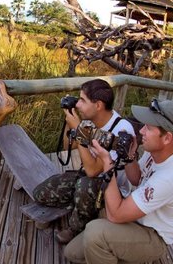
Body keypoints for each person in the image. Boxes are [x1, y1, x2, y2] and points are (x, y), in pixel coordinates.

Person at [64, 98, 173, 263]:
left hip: (152, 235)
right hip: (137, 217)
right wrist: (130, 157)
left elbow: (116, 215)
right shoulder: (163, 151)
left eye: (149, 128)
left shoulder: (171, 177)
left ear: (167, 138)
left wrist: (107, 163)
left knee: (95, 234)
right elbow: (138, 179)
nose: (141, 132)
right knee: (72, 253)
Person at [33, 79, 136, 244]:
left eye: (82, 100)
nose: (78, 104)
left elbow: (93, 171)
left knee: (85, 185)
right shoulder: (89, 120)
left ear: (98, 105)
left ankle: (77, 227)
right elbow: (69, 146)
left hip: (112, 188)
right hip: (86, 178)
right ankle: (81, 203)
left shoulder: (121, 131)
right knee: (40, 193)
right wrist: (71, 123)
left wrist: (80, 131)